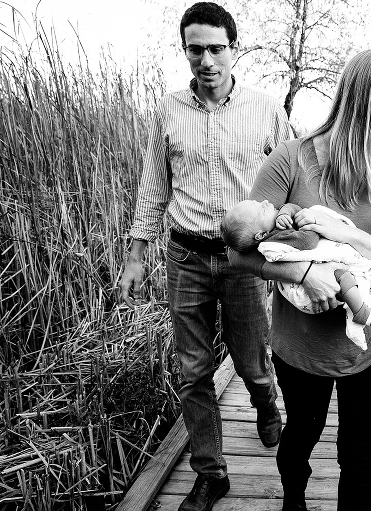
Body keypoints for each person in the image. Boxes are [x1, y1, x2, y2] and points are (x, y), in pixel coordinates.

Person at [228, 48, 371, 511]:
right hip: (303, 348)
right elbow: (239, 251)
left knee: (359, 453)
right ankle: (293, 499)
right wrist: (305, 272)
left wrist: (349, 236)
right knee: (302, 436)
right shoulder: (289, 160)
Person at [118, 3, 292, 510]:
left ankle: (264, 399)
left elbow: (289, 183)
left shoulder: (264, 110)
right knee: (193, 371)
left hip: (243, 260)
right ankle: (210, 473)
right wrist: (136, 253)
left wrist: (287, 237)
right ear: (185, 51)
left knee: (251, 360)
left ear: (234, 49)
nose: (207, 60)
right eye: (196, 49)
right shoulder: (169, 109)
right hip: (185, 255)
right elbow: (153, 186)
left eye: (217, 48)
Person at [220, 199, 371, 349]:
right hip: (308, 293)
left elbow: (292, 206)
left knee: (359, 278)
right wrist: (314, 224)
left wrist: (284, 213)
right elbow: (308, 241)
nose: (266, 202)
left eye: (260, 202)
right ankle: (360, 312)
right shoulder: (275, 240)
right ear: (261, 235)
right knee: (345, 276)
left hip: (321, 277)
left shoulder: (278, 224)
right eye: (261, 209)